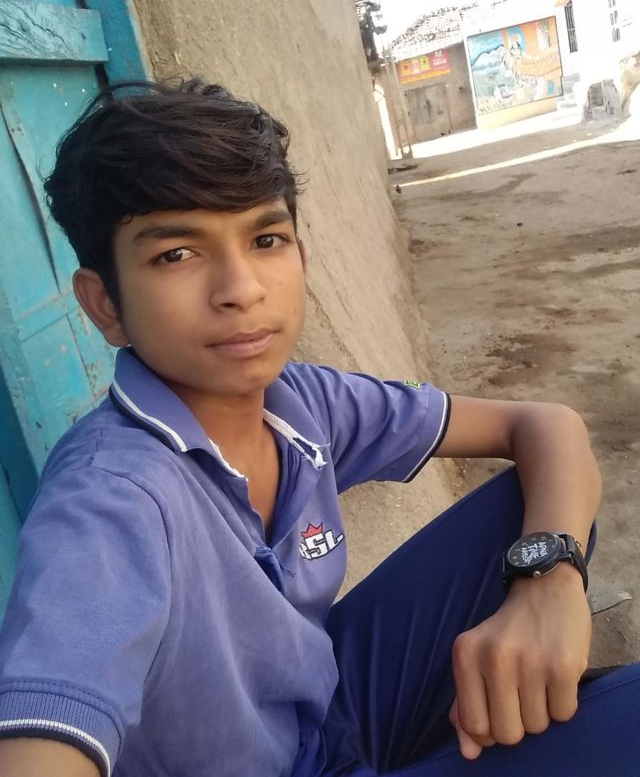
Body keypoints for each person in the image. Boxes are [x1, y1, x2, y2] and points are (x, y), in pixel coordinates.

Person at [0, 79, 637, 777]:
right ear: (105, 305)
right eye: (176, 254)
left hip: (329, 709)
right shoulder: (110, 499)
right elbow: (40, 740)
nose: (242, 288)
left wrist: (548, 581)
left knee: (534, 509)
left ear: (301, 257)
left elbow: (545, 426)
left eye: (265, 238)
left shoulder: (300, 401)